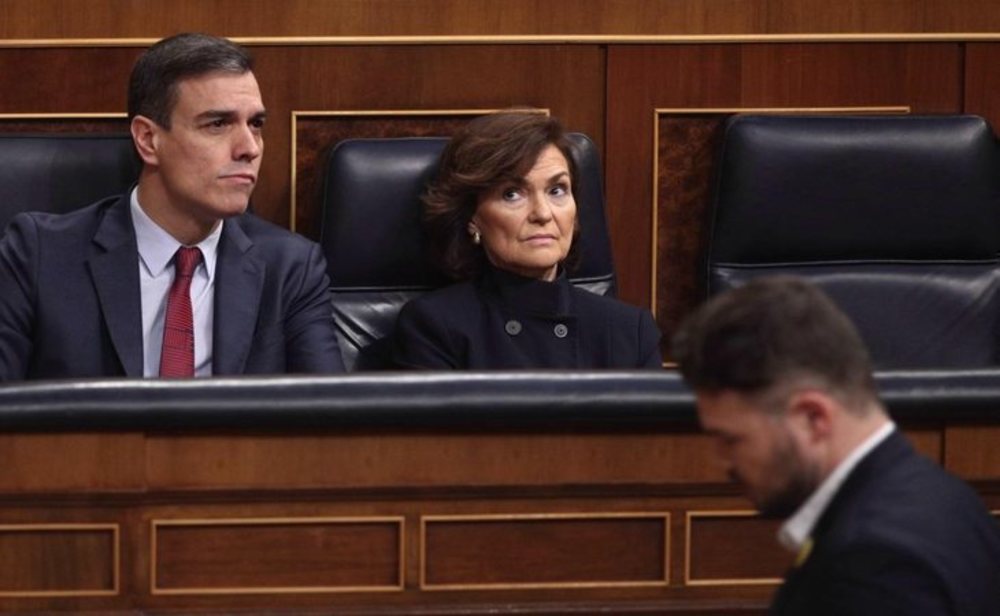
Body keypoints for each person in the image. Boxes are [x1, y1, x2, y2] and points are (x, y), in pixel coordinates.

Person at [0, 33, 344, 381]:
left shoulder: (291, 268)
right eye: (218, 124)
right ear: (148, 140)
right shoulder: (40, 254)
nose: (249, 148)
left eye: (255, 124)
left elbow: (331, 423)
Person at [671, 276, 1000, 615]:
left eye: (731, 440)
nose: (721, 462)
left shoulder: (875, 567)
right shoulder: (946, 497)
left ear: (813, 418)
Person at [391, 112, 662, 369]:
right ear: (472, 217)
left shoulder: (631, 332)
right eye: (512, 194)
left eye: (557, 190)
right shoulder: (434, 327)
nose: (543, 214)